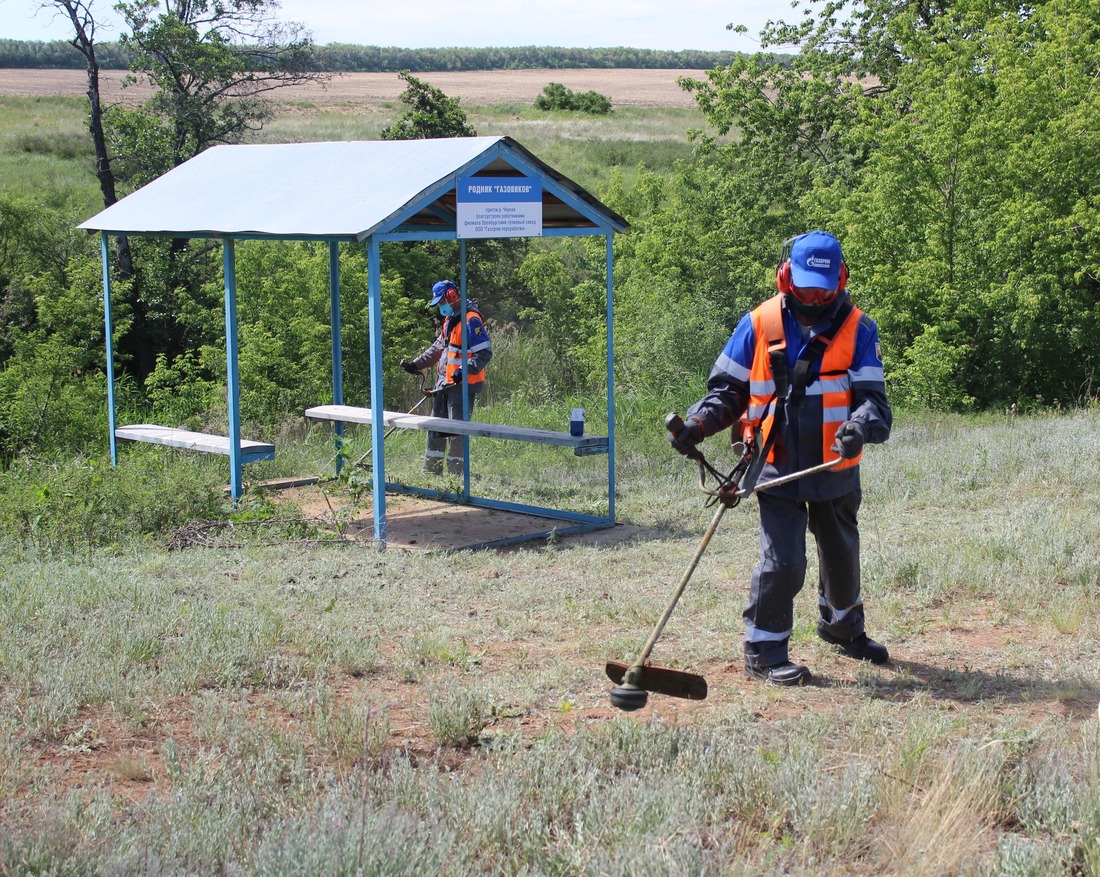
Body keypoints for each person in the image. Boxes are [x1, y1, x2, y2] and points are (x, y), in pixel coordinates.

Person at [670, 231, 892, 686]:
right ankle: (765, 652)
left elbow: (876, 405)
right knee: (784, 561)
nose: (813, 296)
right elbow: (728, 393)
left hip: (835, 466)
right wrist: (696, 424)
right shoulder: (757, 324)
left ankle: (843, 628)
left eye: (823, 289)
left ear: (841, 279)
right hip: (775, 466)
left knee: (841, 555)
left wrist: (859, 427)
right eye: (805, 286)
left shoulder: (860, 329)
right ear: (785, 276)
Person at [400, 280, 492, 475]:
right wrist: (415, 364)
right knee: (436, 428)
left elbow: (484, 353)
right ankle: (431, 471)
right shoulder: (450, 320)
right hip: (443, 385)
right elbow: (437, 349)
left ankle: (456, 474)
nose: (441, 307)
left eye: (442, 301)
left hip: (462, 386)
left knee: (457, 432)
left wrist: (464, 371)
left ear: (452, 296)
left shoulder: (471, 320)